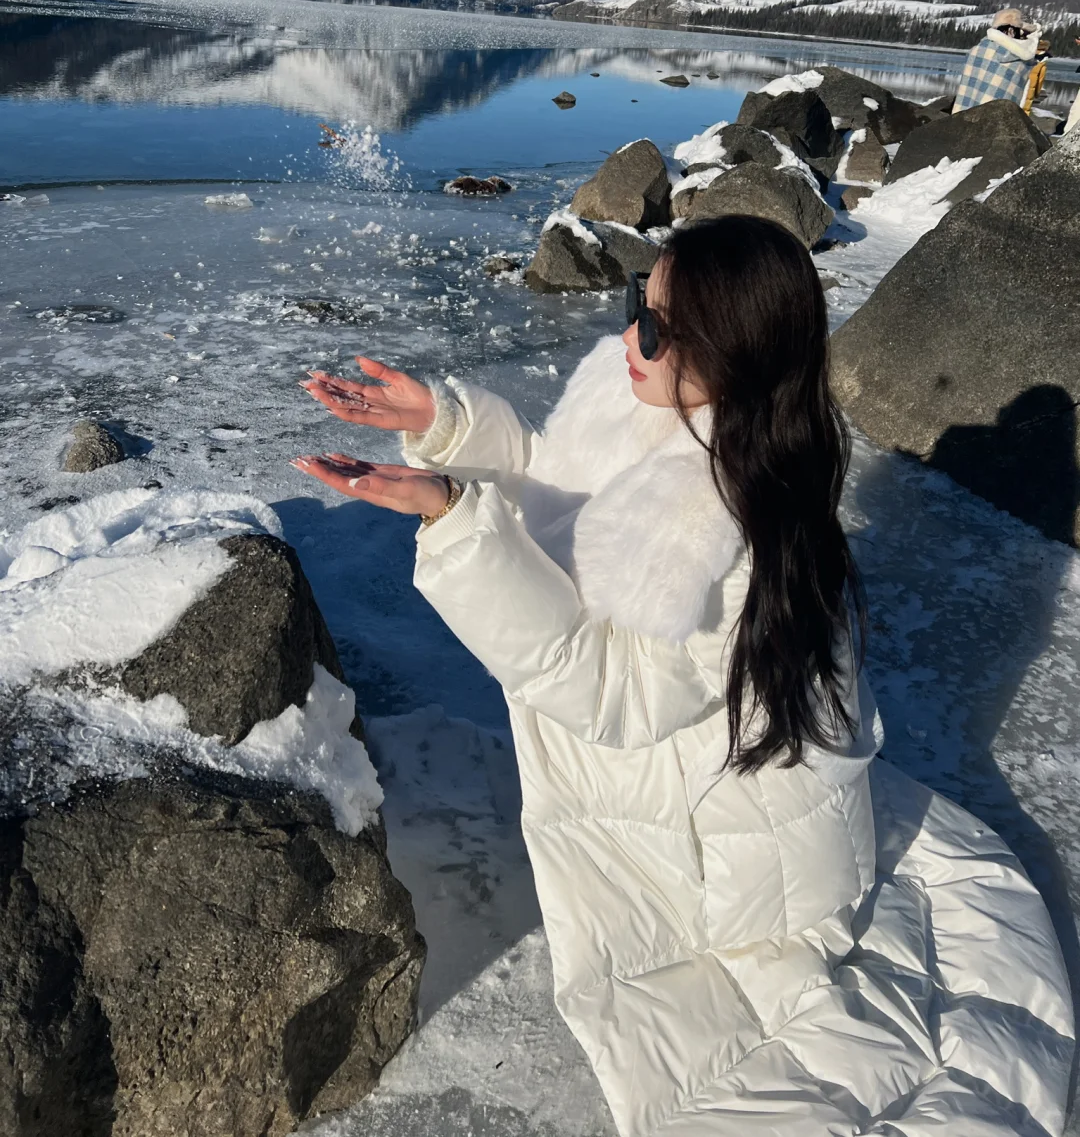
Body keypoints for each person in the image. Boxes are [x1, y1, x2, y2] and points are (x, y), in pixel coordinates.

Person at [294, 215, 1073, 1134]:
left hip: (732, 867)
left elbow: (610, 691)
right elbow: (562, 486)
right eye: (638, 303)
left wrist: (455, 522)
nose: (630, 335)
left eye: (658, 327)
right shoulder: (668, 404)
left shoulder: (730, 528)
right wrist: (445, 424)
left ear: (728, 362)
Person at [953, 7, 1043, 113]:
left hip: (965, 114)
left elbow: (967, 85)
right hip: (999, 118)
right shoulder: (1023, 59)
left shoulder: (978, 49)